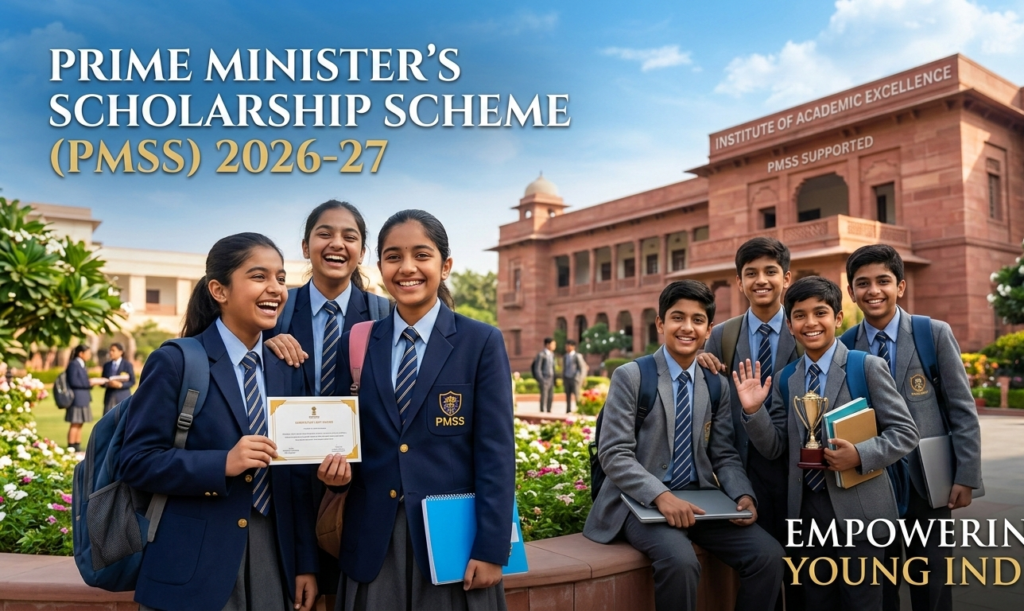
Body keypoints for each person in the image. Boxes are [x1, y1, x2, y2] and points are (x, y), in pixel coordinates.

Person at [318, 209, 514, 611]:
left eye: (421, 255)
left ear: (445, 266)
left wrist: (493, 549)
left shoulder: (481, 342)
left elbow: (496, 453)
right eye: (393, 257)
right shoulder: (357, 343)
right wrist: (335, 474)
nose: (407, 268)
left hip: (451, 544)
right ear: (380, 267)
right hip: (374, 541)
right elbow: (346, 441)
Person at [119, 233, 319, 611]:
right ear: (219, 289)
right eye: (259, 277)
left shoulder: (287, 367)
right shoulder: (177, 361)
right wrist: (222, 463)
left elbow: (296, 480)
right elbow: (136, 461)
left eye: (280, 278)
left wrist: (305, 563)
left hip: (272, 562)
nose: (275, 289)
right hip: (192, 565)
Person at [584, 280, 784, 611]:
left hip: (699, 499)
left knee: (769, 556)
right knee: (680, 563)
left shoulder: (716, 384)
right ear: (661, 323)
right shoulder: (631, 376)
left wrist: (742, 495)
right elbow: (614, 453)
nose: (687, 327)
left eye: (697, 320)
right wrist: (661, 497)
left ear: (708, 330)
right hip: (639, 501)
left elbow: (724, 454)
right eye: (677, 318)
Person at [735, 276, 919, 610]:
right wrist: (753, 412)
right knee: (817, 601)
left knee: (862, 601)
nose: (810, 323)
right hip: (807, 512)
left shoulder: (865, 366)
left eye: (820, 313)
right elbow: (776, 447)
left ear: (836, 318)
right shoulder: (786, 378)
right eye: (800, 315)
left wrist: (860, 455)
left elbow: (905, 432)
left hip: (860, 511)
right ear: (790, 325)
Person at [262, 200, 391, 600]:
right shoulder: (275, 310)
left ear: (362, 252)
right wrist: (264, 342)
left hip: (359, 482)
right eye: (325, 233)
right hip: (285, 480)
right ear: (305, 246)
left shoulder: (384, 315)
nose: (337, 243)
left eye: (349, 236)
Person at [844, 245, 982, 611]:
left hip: (928, 483)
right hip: (872, 482)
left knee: (932, 579)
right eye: (862, 283)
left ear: (901, 286)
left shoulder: (931, 333)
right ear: (850, 292)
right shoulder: (844, 346)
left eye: (883, 281)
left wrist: (966, 475)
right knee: (880, 584)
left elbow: (961, 408)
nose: (873, 290)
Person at [698, 237, 801, 611]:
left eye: (771, 272)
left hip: (798, 472)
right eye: (751, 273)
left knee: (803, 573)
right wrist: (699, 359)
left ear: (786, 278)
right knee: (763, 569)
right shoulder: (723, 336)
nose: (762, 280)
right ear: (739, 282)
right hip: (742, 471)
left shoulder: (804, 329)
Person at [65, 344, 106, 451]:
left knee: (80, 423)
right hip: (77, 398)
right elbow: (73, 381)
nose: (89, 355)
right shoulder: (74, 364)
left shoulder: (81, 364)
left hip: (83, 397)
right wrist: (90, 383)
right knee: (75, 422)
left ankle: (77, 445)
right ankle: (71, 446)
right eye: (87, 353)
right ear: (81, 353)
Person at [101, 342, 136, 414]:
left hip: (122, 397)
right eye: (110, 350)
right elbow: (102, 382)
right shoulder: (106, 365)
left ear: (120, 352)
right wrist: (108, 383)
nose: (111, 352)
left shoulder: (127, 365)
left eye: (113, 350)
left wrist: (120, 385)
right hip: (109, 397)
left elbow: (132, 381)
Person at [562, 339, 588, 412]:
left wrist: (581, 378)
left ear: (573, 347)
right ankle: (568, 410)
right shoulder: (565, 356)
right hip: (567, 378)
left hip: (575, 378)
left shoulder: (577, 356)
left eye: (568, 346)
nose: (567, 347)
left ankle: (579, 410)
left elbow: (582, 368)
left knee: (577, 395)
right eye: (566, 346)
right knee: (568, 395)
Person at [531, 337, 556, 413]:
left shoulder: (552, 355)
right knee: (544, 396)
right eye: (553, 344)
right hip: (544, 378)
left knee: (550, 396)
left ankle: (549, 411)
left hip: (551, 379)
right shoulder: (541, 355)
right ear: (548, 344)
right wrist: (541, 379)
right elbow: (537, 368)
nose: (554, 346)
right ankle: (542, 412)